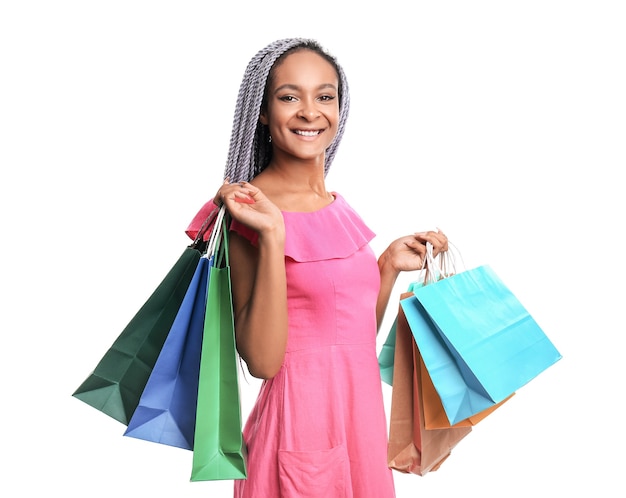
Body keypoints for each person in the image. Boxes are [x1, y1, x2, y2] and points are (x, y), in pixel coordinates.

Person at [186, 38, 448, 498]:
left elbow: (344, 341)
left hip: (359, 435)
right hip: (300, 440)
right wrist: (271, 236)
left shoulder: (335, 206)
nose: (310, 112)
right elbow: (264, 362)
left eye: (324, 96)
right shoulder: (250, 211)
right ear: (263, 111)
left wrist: (385, 267)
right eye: (290, 97)